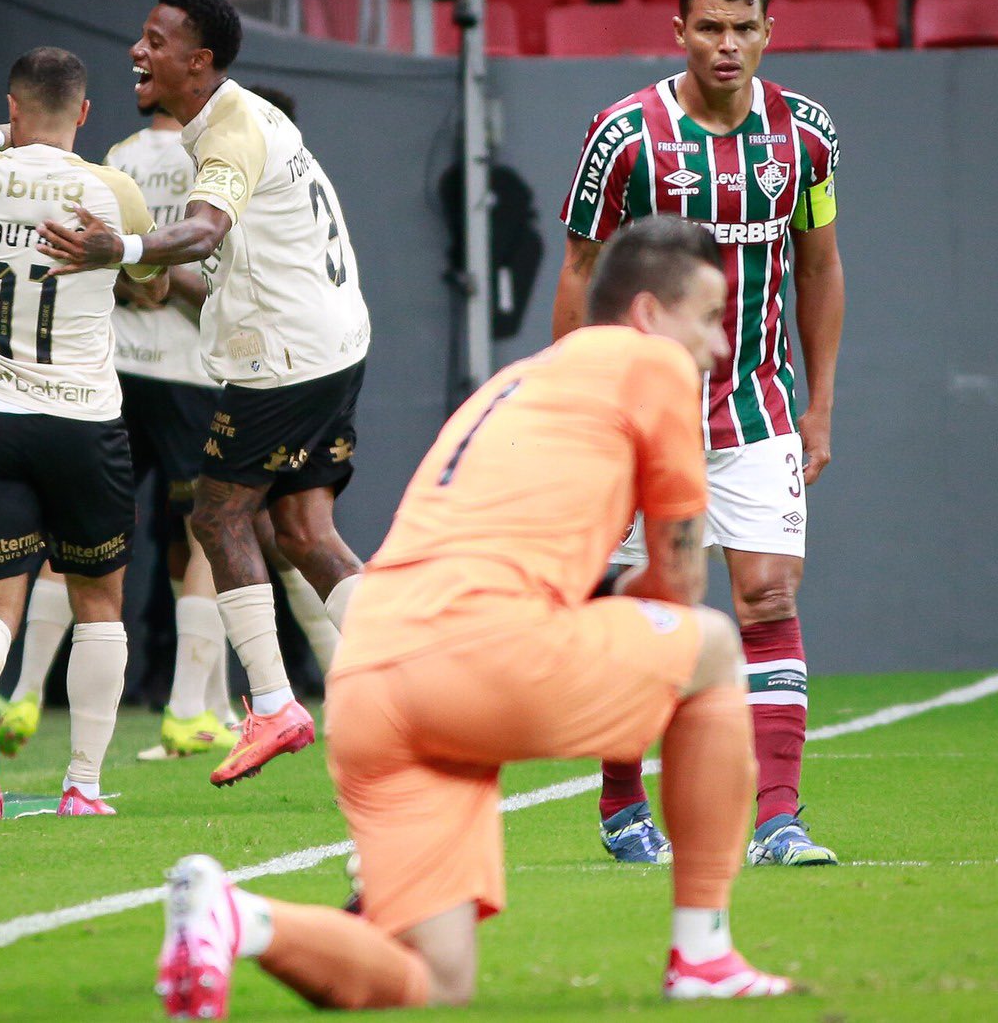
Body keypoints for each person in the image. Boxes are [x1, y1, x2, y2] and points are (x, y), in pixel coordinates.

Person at [154, 218, 794, 1016]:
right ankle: (703, 951)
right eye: (711, 316)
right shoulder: (655, 363)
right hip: (477, 653)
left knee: (436, 978)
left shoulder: (516, 381)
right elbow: (680, 584)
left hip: (371, 676)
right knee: (716, 645)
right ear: (647, 314)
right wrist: (621, 608)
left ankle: (236, 916)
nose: (719, 344)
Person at [552, 0, 845, 867]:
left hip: (756, 403)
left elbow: (820, 266)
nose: (728, 45)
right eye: (710, 27)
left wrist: (819, 404)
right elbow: (579, 270)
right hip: (638, 411)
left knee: (769, 594)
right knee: (636, 606)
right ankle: (621, 802)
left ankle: (779, 819)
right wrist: (576, 402)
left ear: (769, 34)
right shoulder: (623, 136)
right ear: (679, 31)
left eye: (744, 28)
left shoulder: (806, 137)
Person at [37, 0, 370, 788]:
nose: (137, 52)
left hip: (284, 356)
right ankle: (403, 679)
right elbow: (219, 257)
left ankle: (275, 705)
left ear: (200, 62)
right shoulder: (237, 119)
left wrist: (122, 249)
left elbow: (205, 229)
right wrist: (155, 274)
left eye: (156, 42)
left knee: (217, 514)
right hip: (331, 342)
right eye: (142, 36)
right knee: (304, 531)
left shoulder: (228, 129)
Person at [0, 46, 166, 818]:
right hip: (82, 420)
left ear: (12, 107)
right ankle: (82, 785)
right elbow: (154, 284)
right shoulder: (113, 189)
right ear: (83, 112)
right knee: (99, 600)